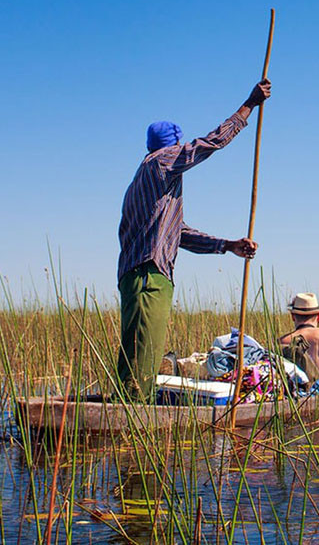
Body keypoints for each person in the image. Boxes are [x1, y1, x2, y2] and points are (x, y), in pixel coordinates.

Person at [116, 78, 271, 401]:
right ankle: (132, 414)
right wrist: (249, 105)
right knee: (142, 352)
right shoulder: (161, 162)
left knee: (138, 349)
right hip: (148, 276)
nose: (182, 155)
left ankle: (128, 404)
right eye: (179, 148)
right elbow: (209, 144)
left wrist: (227, 246)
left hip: (140, 275)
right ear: (171, 147)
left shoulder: (148, 181)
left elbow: (179, 233)